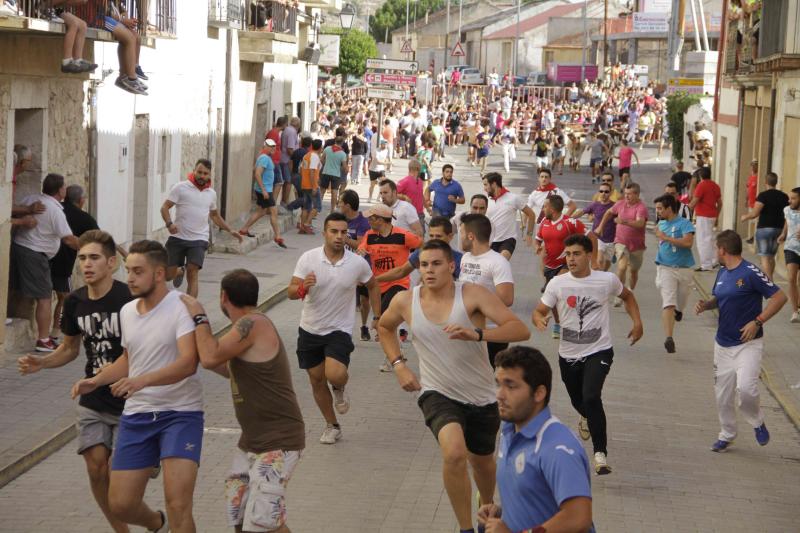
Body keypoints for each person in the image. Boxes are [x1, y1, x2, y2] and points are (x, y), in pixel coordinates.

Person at [377, 240, 530, 533]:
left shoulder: (472, 295)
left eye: (436, 264)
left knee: (483, 464)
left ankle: (487, 510)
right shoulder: (405, 301)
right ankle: (465, 529)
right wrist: (399, 365)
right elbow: (384, 327)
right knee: (455, 453)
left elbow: (520, 329)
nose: (429, 270)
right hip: (437, 392)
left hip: (482, 396)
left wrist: (477, 334)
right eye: (423, 265)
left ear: (451, 266)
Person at [70, 240, 203, 532]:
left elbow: (188, 363)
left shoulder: (180, 307)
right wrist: (97, 379)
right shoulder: (128, 311)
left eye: (137, 271)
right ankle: (157, 524)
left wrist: (140, 381)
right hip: (138, 415)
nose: (129, 277)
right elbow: (130, 358)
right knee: (121, 503)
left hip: (180, 413)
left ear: (158, 274)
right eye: (128, 270)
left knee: (179, 503)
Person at [18, 230, 135, 533]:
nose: (86, 264)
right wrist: (42, 362)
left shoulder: (129, 300)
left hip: (132, 399)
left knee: (116, 473)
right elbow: (70, 348)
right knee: (96, 469)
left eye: (94, 257)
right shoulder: (75, 303)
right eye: (82, 258)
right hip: (92, 396)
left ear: (111, 263)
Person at [180, 269, 305, 533]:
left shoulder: (253, 324)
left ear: (223, 296)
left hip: (277, 442)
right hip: (252, 442)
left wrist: (199, 316)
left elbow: (212, 356)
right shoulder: (249, 327)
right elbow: (225, 367)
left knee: (261, 524)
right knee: (239, 517)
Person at [533, 234, 643, 475]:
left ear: (589, 255)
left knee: (591, 396)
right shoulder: (557, 284)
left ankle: (600, 454)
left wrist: (637, 323)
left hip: (599, 350)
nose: (571, 259)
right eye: (568, 254)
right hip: (568, 354)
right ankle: (586, 416)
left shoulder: (606, 280)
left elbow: (628, 296)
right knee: (579, 401)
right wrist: (540, 319)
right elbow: (539, 310)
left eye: (576, 254)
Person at [288, 213, 382, 444]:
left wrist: (378, 316)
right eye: (334, 232)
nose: (339, 236)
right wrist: (302, 289)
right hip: (309, 328)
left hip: (339, 329)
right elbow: (290, 291)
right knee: (317, 380)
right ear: (325, 234)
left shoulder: (356, 262)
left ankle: (339, 387)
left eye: (343, 232)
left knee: (335, 374)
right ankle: (332, 425)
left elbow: (373, 285)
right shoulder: (308, 259)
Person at [480, 346, 595, 533]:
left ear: (539, 393)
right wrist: (505, 513)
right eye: (498, 384)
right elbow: (536, 498)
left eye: (510, 386)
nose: (499, 395)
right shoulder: (510, 431)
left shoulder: (558, 448)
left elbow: (578, 517)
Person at [695, 231, 788, 452]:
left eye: (716, 248)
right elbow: (721, 297)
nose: (715, 252)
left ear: (722, 250)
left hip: (748, 344)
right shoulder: (722, 272)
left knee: (746, 389)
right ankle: (727, 434)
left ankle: (757, 422)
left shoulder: (751, 272)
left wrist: (758, 321)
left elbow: (780, 297)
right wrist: (707, 305)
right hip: (723, 345)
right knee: (723, 396)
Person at [11, 173, 79, 352]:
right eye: (64, 186)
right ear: (60, 190)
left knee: (17, 290)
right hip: (34, 254)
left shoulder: (32, 198)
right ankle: (43, 339)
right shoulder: (54, 210)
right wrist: (91, 246)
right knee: (44, 298)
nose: (65, 189)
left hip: (20, 247)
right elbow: (69, 240)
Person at [161, 159, 242, 297]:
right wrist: (169, 224)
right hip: (178, 237)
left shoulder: (211, 194)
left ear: (209, 175)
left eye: (205, 173)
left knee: (193, 271)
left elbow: (215, 216)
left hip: (199, 239)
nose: (202, 176)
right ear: (194, 171)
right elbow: (165, 207)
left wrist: (230, 230)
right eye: (199, 172)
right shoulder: (180, 188)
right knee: (168, 275)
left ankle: (191, 311)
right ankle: (180, 271)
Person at [358, 204, 423, 346]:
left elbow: (422, 245)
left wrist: (418, 264)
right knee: (384, 324)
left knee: (383, 318)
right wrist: (361, 252)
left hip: (398, 283)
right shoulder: (370, 235)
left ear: (380, 220)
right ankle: (393, 352)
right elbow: (361, 248)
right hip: (377, 285)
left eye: (371, 218)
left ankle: (393, 355)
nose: (368, 221)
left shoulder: (403, 235)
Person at [535, 196, 598, 339]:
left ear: (552, 209)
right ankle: (558, 322)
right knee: (553, 297)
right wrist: (538, 248)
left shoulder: (570, 222)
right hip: (548, 265)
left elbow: (592, 237)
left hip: (566, 264)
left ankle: (575, 322)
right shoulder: (544, 222)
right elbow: (538, 240)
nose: (543, 210)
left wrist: (593, 260)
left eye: (545, 207)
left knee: (557, 288)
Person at [459, 214, 515, 369]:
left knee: (485, 382)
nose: (460, 237)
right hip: (467, 330)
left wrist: (477, 304)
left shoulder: (497, 262)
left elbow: (507, 299)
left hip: (492, 334)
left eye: (461, 234)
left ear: (471, 236)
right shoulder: (466, 258)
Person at [48, 184, 99, 339]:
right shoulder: (85, 218)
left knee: (46, 297)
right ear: (81, 200)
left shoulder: (56, 208)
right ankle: (55, 333)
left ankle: (53, 333)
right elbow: (100, 239)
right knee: (65, 298)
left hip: (45, 257)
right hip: (62, 263)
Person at [653, 194, 696, 354]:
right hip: (665, 268)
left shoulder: (685, 224)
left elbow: (688, 243)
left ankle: (679, 310)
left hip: (684, 268)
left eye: (660, 208)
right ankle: (669, 338)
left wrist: (666, 238)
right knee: (668, 303)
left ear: (669, 208)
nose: (657, 212)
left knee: (681, 300)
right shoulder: (660, 224)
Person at [595, 182, 648, 306]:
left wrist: (623, 221)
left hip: (637, 245)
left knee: (633, 272)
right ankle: (620, 294)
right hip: (621, 241)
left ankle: (629, 290)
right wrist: (600, 226)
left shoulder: (641, 208)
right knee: (622, 267)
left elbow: (640, 224)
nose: (627, 196)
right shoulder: (620, 204)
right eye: (625, 194)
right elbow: (608, 213)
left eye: (629, 194)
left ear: (637, 194)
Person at [239, 139, 287, 248]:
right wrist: (264, 190)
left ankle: (244, 229)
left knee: (261, 211)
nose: (273, 148)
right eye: (270, 146)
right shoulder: (264, 158)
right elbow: (257, 173)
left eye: (274, 146)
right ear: (265, 146)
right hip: (265, 190)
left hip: (264, 189)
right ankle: (278, 236)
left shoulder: (263, 157)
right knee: (273, 212)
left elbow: (255, 170)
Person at [740, 172, 789, 280]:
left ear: (765, 182)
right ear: (776, 182)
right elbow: (788, 215)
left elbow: (755, 213)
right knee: (771, 257)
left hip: (764, 229)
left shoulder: (763, 195)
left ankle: (769, 283)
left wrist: (745, 217)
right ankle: (770, 282)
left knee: (765, 258)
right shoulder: (784, 196)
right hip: (779, 229)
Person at [339, 189, 373, 341]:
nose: (339, 205)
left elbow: (360, 245)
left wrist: (344, 238)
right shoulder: (339, 220)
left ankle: (364, 326)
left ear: (347, 205)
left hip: (361, 265)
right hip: (343, 265)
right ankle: (340, 329)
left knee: (365, 300)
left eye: (340, 202)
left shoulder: (362, 222)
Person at [483, 172, 535, 260]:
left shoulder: (513, 198)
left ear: (494, 184)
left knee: (500, 262)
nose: (484, 189)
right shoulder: (486, 201)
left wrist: (529, 234)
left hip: (508, 240)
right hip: (490, 241)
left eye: (486, 185)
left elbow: (531, 214)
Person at [104, 0, 148, 95]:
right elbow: (103, 11)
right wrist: (123, 20)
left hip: (113, 19)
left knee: (136, 37)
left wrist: (126, 18)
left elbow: (122, 10)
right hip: (101, 19)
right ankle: (131, 78)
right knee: (129, 38)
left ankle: (131, 70)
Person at [689, 167, 722, 271]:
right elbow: (720, 203)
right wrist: (717, 214)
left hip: (703, 216)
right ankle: (714, 261)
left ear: (700, 176)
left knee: (702, 241)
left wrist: (684, 210)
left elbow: (694, 201)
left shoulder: (701, 185)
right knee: (710, 239)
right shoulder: (715, 185)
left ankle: (706, 265)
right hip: (712, 215)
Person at [578, 183, 617, 272]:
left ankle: (602, 275)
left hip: (611, 240)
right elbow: (582, 212)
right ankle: (598, 280)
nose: (603, 193)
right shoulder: (595, 204)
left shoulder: (615, 206)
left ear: (610, 193)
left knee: (607, 263)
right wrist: (570, 218)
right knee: (599, 260)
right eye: (601, 191)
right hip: (598, 238)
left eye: (606, 191)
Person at [51, 0, 98, 74]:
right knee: (74, 24)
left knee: (83, 25)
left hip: (56, 9)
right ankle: (66, 61)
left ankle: (78, 59)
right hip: (45, 5)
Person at [778, 187, 800, 323]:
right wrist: (783, 234)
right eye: (789, 198)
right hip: (791, 247)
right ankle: (795, 311)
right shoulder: (787, 210)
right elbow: (787, 222)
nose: (789, 201)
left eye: (793, 198)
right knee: (791, 278)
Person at [319, 135, 349, 213]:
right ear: (342, 143)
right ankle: (332, 209)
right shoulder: (342, 153)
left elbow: (321, 160)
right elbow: (344, 167)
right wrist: (343, 169)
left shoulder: (327, 149)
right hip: (336, 174)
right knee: (334, 192)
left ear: (335, 141)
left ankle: (318, 208)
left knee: (322, 191)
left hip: (326, 172)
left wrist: (327, 164)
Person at [397, 160, 427, 231]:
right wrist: (404, 197)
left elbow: (421, 195)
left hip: (419, 213)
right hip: (408, 213)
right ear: (418, 169)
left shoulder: (420, 181)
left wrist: (427, 208)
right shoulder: (405, 181)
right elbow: (393, 193)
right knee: (409, 234)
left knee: (421, 234)